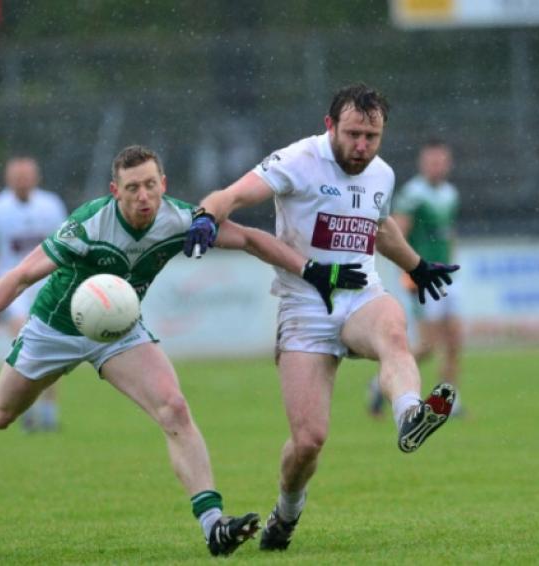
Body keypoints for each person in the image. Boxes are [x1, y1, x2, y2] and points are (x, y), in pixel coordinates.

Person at [0, 145, 343, 557]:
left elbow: (249, 239)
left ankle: (213, 525)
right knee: (1, 414)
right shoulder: (89, 226)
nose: (144, 196)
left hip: (118, 330)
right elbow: (21, 275)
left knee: (174, 408)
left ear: (164, 184)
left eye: (151, 185)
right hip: (54, 328)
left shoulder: (178, 218)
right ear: (114, 191)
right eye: (132, 188)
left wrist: (310, 270)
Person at [183, 84, 460, 552]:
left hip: (359, 294)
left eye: (372, 137)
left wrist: (415, 264)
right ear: (330, 125)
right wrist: (207, 217)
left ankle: (409, 414)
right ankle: (286, 514)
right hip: (305, 305)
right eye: (353, 134)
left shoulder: (382, 173)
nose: (362, 147)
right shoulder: (297, 160)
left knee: (394, 330)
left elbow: (380, 224)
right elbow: (232, 195)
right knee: (308, 441)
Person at [369, 140, 464, 418]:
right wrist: (410, 271)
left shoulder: (450, 193)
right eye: (432, 161)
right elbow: (395, 235)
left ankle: (447, 403)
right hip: (422, 279)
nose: (437, 166)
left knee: (455, 340)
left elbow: (450, 233)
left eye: (441, 161)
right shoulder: (413, 195)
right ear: (423, 164)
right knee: (428, 345)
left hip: (448, 277)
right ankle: (380, 383)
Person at [0, 156, 68, 432]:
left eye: (27, 176)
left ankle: (48, 411)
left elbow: (67, 245)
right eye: (17, 177)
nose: (22, 181)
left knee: (52, 347)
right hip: (14, 286)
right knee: (25, 345)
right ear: (7, 179)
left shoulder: (51, 205)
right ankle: (24, 408)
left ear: (36, 177)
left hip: (47, 283)